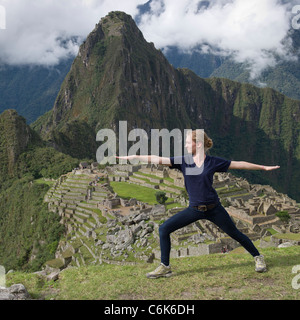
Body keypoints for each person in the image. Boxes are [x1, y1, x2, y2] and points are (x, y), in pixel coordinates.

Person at [116, 130, 280, 278]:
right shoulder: (183, 162)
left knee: (235, 234)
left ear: (199, 144)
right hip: (194, 209)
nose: (186, 145)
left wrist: (263, 168)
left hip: (214, 209)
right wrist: (134, 157)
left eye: (188, 142)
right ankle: (165, 266)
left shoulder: (213, 162)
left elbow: (239, 164)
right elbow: (157, 159)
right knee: (164, 228)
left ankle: (258, 258)